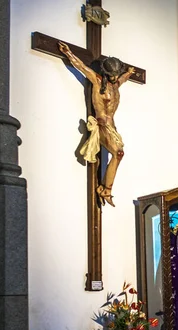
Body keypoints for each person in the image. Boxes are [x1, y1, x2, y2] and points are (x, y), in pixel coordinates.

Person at [58, 41, 135, 207]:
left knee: (119, 153)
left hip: (112, 127)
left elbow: (123, 79)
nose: (115, 77)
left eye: (117, 74)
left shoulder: (116, 84)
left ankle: (106, 188)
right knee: (119, 153)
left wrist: (129, 73)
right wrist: (68, 53)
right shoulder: (97, 81)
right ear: (107, 73)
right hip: (101, 125)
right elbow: (81, 67)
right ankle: (106, 190)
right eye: (113, 74)